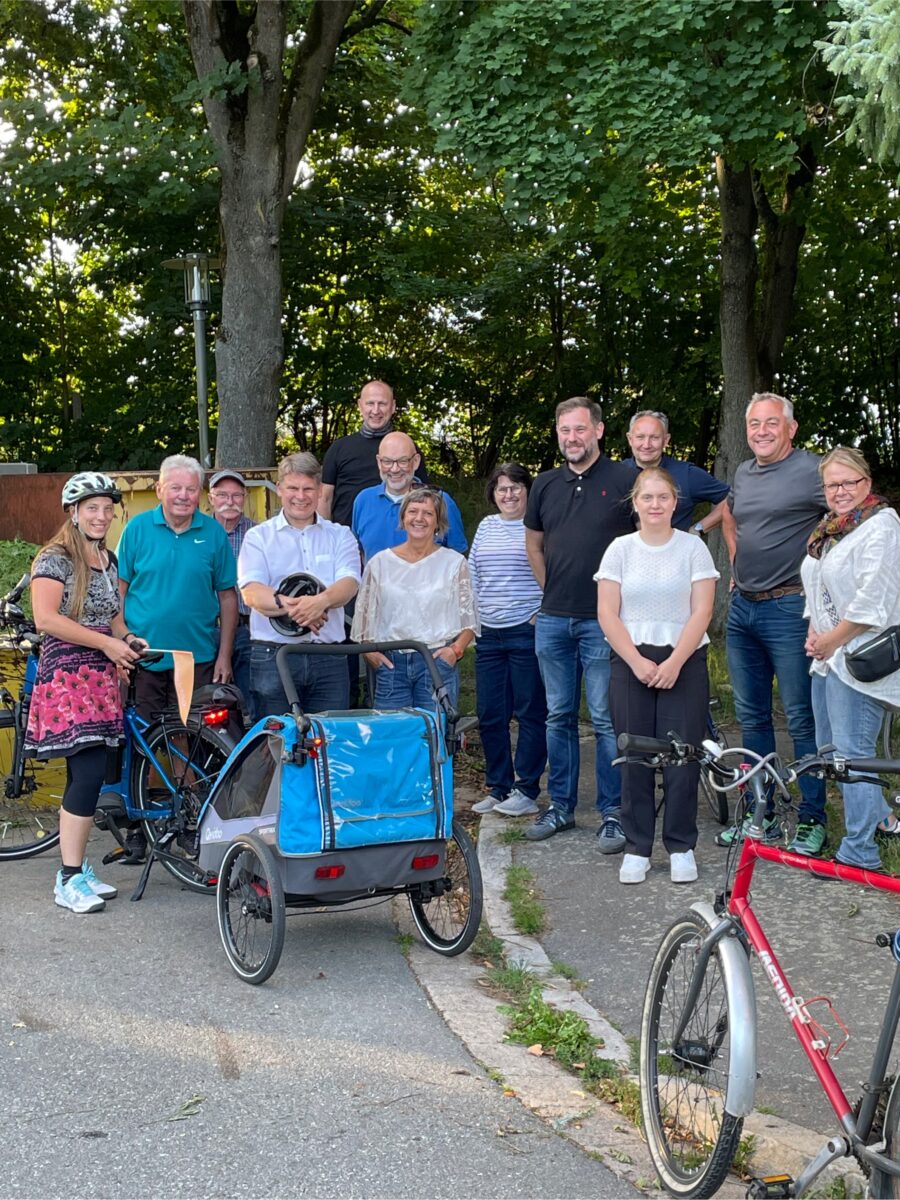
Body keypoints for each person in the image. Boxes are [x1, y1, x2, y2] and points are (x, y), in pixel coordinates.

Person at [25, 473, 146, 913]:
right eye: (91, 508)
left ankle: (75, 869)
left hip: (100, 675)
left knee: (89, 774)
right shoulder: (54, 558)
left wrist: (128, 639)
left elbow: (114, 619)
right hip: (69, 676)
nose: (101, 515)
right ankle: (68, 877)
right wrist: (106, 644)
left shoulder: (107, 559)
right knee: (90, 771)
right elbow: (46, 619)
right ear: (73, 513)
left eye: (107, 508)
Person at [718, 393, 828, 852]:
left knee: (802, 719)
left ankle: (812, 817)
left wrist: (825, 574)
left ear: (791, 428)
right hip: (742, 609)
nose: (761, 431)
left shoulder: (813, 470)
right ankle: (756, 813)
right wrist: (737, 564)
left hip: (789, 607)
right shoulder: (743, 472)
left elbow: (851, 511)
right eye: (754, 424)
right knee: (751, 718)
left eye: (771, 423)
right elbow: (731, 515)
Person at [596, 468, 719, 884]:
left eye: (662, 497)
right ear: (635, 502)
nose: (655, 505)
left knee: (682, 756)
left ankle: (681, 846)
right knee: (635, 757)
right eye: (647, 498)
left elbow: (702, 611)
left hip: (683, 661)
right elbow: (607, 613)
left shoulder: (693, 549)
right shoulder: (619, 549)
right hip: (631, 661)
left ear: (675, 502)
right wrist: (636, 661)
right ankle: (637, 847)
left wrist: (674, 663)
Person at [524, 396, 635, 844]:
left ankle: (614, 812)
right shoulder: (545, 484)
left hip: (605, 622)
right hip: (553, 620)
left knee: (607, 719)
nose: (572, 438)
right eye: (565, 430)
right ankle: (561, 808)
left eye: (580, 429)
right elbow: (534, 544)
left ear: (599, 431)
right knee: (558, 716)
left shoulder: (626, 478)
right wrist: (550, 588)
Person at [801, 447, 900, 870]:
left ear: (867, 483)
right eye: (832, 484)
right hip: (828, 656)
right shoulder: (831, 529)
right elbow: (817, 585)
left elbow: (873, 601)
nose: (840, 492)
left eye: (849, 483)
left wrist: (832, 639)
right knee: (830, 748)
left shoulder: (881, 525)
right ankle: (882, 818)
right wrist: (814, 631)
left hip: (860, 657)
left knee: (852, 754)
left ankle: (860, 853)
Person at [239, 452, 361, 717]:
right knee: (277, 744)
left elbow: (349, 583)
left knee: (329, 742)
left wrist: (321, 603)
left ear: (319, 491)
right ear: (280, 488)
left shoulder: (341, 535)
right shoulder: (258, 537)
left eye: (308, 488)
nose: (301, 496)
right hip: (274, 657)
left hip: (329, 658)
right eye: (293, 488)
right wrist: (299, 609)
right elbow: (251, 592)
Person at [118, 454, 238, 718]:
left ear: (200, 493)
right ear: (160, 490)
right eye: (175, 488)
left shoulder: (214, 533)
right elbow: (119, 592)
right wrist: (119, 644)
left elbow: (228, 598)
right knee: (144, 743)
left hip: (196, 659)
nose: (183, 495)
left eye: (191, 489)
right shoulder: (136, 529)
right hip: (143, 657)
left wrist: (224, 656)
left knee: (191, 742)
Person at [351, 488, 478, 712]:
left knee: (435, 736)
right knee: (393, 740)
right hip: (391, 664)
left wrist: (454, 651)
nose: (419, 519)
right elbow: (362, 619)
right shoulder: (380, 563)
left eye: (428, 513)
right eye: (413, 512)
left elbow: (470, 620)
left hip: (436, 661)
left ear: (438, 522)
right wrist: (369, 652)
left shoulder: (454, 563)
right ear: (403, 518)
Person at [468, 463, 547, 818]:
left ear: (527, 491)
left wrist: (542, 612)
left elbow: (555, 568)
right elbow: (472, 574)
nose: (509, 494)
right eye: (502, 488)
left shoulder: (539, 526)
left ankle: (526, 788)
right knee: (490, 714)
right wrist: (471, 618)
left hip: (525, 629)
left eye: (516, 486)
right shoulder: (486, 526)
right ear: (493, 493)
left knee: (531, 711)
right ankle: (499, 787)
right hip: (489, 633)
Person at [319, 380, 430, 526]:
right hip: (347, 540)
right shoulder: (339, 448)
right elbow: (324, 498)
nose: (376, 410)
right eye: (370, 403)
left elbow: (425, 497)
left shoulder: (408, 449)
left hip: (398, 539)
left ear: (393, 406)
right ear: (360, 405)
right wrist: (326, 536)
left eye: (382, 404)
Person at [351, 431, 467, 561]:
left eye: (403, 461)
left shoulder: (441, 501)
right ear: (379, 462)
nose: (394, 469)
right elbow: (359, 553)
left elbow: (458, 560)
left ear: (416, 461)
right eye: (387, 461)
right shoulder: (363, 500)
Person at [623, 410, 730, 534]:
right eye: (640, 437)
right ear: (630, 439)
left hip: (677, 552)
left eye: (654, 437)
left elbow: (732, 499)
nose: (646, 445)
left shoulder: (687, 474)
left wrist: (698, 529)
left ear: (666, 440)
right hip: (625, 552)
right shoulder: (615, 474)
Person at [208, 468, 255, 719]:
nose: (230, 501)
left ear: (245, 497)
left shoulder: (258, 534)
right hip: (208, 629)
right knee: (209, 702)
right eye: (222, 494)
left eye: (236, 495)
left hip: (249, 630)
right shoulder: (199, 532)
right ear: (210, 498)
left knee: (252, 699)